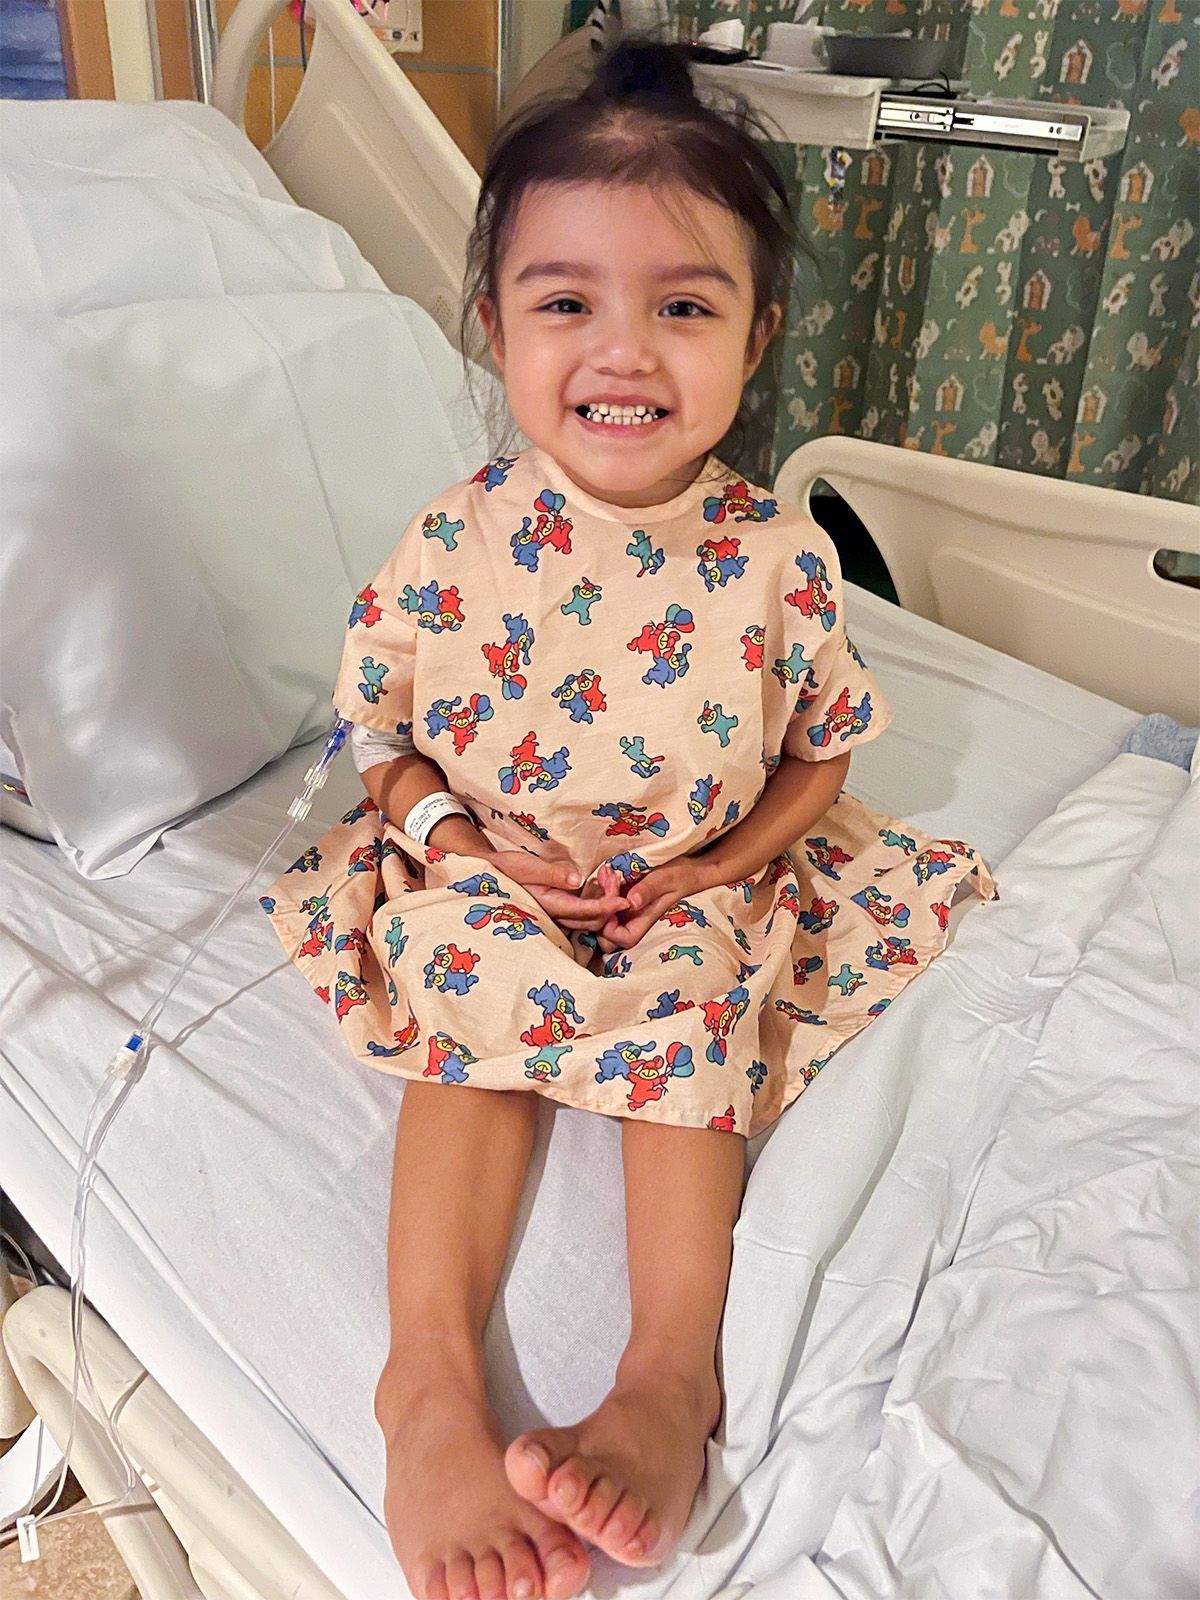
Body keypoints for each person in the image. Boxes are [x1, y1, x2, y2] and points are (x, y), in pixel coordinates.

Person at [262, 36, 994, 1600]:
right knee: (466, 1000)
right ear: (496, 325)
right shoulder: (456, 543)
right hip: (491, 860)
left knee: (704, 998)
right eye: (566, 301)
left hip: (686, 875)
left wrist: (721, 865)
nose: (626, 351)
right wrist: (457, 848)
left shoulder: (780, 559)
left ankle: (671, 1375)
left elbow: (823, 762)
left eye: (683, 305)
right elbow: (381, 734)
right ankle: (428, 1386)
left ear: (756, 335)